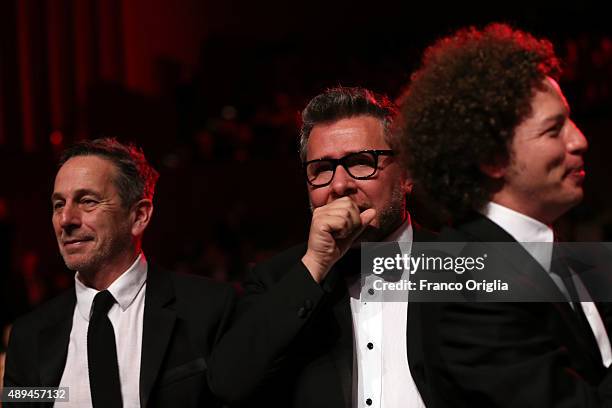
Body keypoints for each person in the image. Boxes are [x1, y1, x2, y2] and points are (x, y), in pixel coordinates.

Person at [398, 23, 611, 406]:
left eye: (572, 121)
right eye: (553, 130)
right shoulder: (464, 282)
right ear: (492, 158)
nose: (580, 140)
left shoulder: (551, 254)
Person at [207, 87, 434, 408]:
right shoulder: (277, 279)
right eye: (322, 169)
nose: (339, 184)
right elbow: (228, 384)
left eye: (360, 162)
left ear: (407, 174)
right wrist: (315, 265)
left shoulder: (462, 261)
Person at [4, 138, 235, 407]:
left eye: (87, 201)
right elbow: (24, 399)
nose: (66, 219)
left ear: (139, 216)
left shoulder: (209, 309)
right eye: (58, 204)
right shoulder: (28, 336)